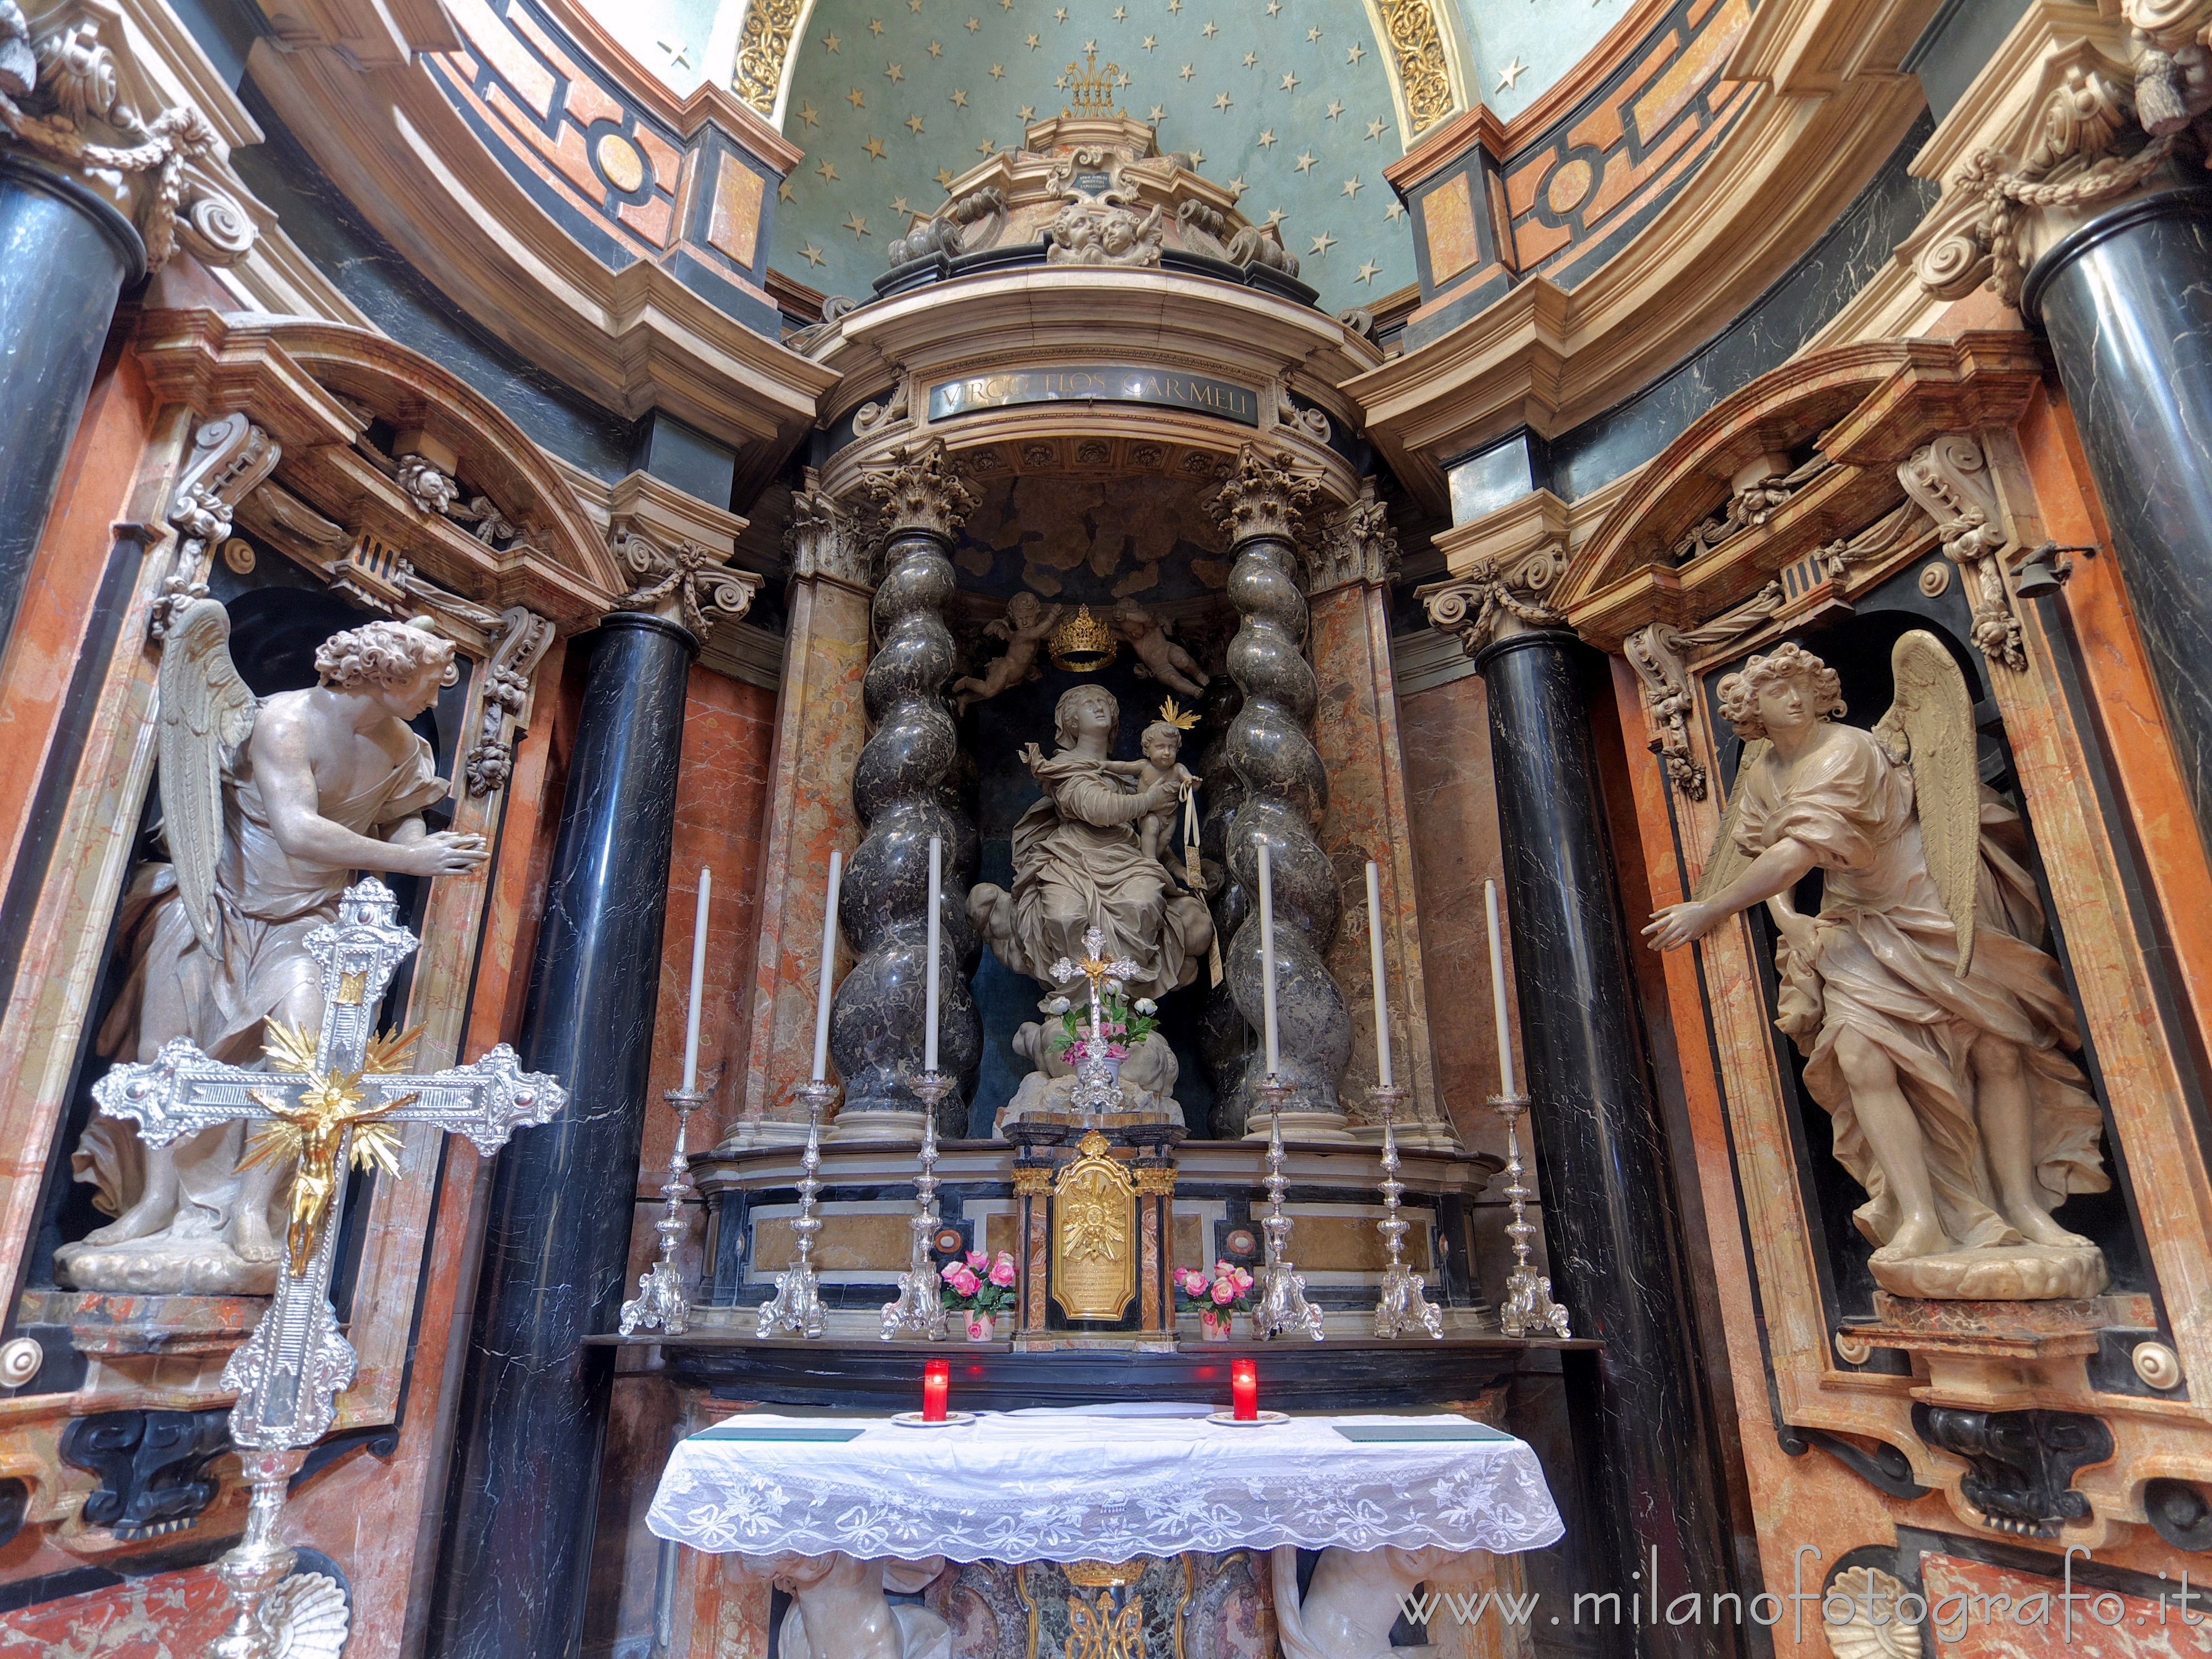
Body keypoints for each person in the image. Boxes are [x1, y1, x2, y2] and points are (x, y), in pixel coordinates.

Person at [1643, 640, 2105, 1275]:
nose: (1795, 694)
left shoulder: (1847, 749)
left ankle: (2025, 1207)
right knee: (1859, 1055)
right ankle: (1919, 1218)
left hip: (1929, 902)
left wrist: (1709, 910)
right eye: (1777, 689)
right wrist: (1790, 920)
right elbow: (1758, 856)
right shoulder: (1761, 777)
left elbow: (1793, 855)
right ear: (1752, 709)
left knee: (1996, 1050)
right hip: (1856, 921)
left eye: (1802, 681)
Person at [60, 611, 487, 1285]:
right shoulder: (283, 722)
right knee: (166, 1058)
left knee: (304, 1058)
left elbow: (401, 817)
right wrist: (411, 864)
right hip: (214, 907)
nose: (437, 700)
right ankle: (153, 1203)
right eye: (429, 685)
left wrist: (422, 848)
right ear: (386, 676)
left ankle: (252, 1210)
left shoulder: (404, 747)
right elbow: (297, 831)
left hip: (309, 922)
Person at [968, 685, 1212, 1005]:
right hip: (1070, 858)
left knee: (1144, 903)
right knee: (1063, 916)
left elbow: (1147, 837)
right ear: (1071, 721)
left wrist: (1180, 868)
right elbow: (1098, 808)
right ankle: (1076, 1007)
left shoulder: (1132, 775)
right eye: (1088, 704)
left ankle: (1120, 1005)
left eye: (1105, 702)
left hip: (1126, 857)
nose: (1099, 708)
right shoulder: (1065, 768)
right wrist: (1150, 800)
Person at [1103, 717, 1198, 868]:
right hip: (1149, 814)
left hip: (1170, 816)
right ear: (1147, 750)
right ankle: (1148, 860)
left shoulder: (1178, 769)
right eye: (1160, 747)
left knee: (1166, 839)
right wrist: (1106, 765)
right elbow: (1124, 767)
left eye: (1171, 748)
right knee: (1152, 827)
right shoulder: (1144, 766)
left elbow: (1190, 784)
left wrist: (1193, 783)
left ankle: (1154, 863)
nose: (1167, 753)